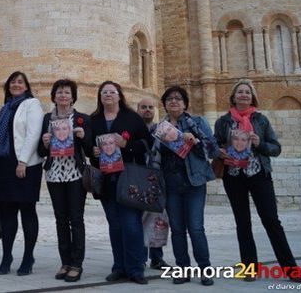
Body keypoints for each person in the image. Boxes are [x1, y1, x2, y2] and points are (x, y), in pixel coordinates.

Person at [214, 79, 301, 283]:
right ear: (234, 96)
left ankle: (291, 269)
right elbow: (214, 145)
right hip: (234, 176)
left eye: (247, 92)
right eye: (240, 92)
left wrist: (259, 143)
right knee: (242, 223)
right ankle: (249, 268)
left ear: (252, 97)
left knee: (271, 220)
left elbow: (276, 148)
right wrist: (220, 152)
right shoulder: (223, 121)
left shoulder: (261, 120)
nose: (244, 95)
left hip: (259, 175)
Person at [88, 81, 150, 285]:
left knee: (131, 225)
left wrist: (127, 145)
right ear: (100, 96)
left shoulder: (132, 118)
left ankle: (136, 268)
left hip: (128, 178)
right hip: (106, 180)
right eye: (104, 92)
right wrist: (93, 152)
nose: (108, 95)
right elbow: (88, 146)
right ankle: (119, 267)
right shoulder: (94, 120)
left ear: (119, 96)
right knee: (115, 225)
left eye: (112, 92)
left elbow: (146, 143)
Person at [158, 86, 219, 286]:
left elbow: (213, 148)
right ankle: (182, 269)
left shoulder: (196, 122)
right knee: (176, 229)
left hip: (194, 182)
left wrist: (197, 140)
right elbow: (154, 156)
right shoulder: (161, 127)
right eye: (169, 99)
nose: (173, 101)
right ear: (165, 104)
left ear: (185, 104)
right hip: (171, 184)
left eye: (178, 99)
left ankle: (205, 269)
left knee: (195, 228)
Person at [37, 79, 90, 282]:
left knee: (76, 218)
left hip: (75, 173)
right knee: (60, 219)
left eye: (67, 92)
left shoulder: (81, 119)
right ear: (54, 96)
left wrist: (83, 135)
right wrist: (44, 143)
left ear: (73, 96)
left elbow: (90, 145)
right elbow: (41, 151)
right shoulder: (46, 119)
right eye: (59, 92)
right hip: (54, 173)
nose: (63, 95)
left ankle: (77, 263)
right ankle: (65, 262)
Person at [0, 71, 44, 276]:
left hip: (26, 164)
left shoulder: (32, 104)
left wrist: (22, 161)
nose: (16, 84)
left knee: (27, 211)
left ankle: (28, 257)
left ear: (26, 86)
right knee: (7, 212)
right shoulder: (5, 107)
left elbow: (33, 133)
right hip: (5, 163)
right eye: (13, 81)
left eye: (20, 82)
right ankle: (7, 256)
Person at [136, 97, 170, 270]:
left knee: (158, 218)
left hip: (158, 178)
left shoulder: (161, 129)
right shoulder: (133, 129)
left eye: (150, 107)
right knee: (140, 219)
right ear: (138, 109)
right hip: (138, 179)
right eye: (143, 107)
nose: (147, 110)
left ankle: (157, 257)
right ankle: (140, 258)